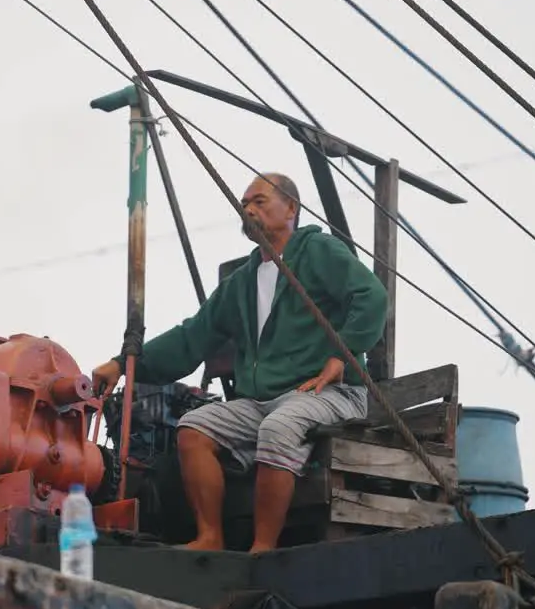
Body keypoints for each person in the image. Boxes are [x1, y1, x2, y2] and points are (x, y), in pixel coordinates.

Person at [91, 173, 388, 552]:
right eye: (244, 203)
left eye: (259, 201)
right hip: (262, 401)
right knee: (194, 427)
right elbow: (192, 337)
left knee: (280, 426)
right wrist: (123, 364)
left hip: (328, 392)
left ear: (291, 209)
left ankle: (262, 547)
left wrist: (340, 355)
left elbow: (371, 296)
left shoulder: (318, 251)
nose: (248, 209)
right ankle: (210, 536)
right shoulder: (242, 282)